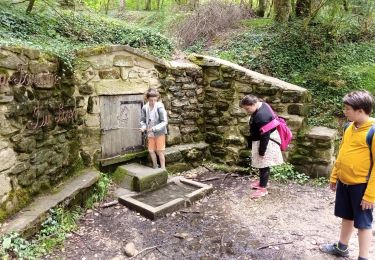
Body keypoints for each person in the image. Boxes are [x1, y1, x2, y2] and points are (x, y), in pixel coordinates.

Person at [320, 91, 375, 260]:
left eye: (348, 109)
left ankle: (363, 257)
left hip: (361, 185)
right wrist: (334, 176)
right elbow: (342, 153)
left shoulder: (372, 131)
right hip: (345, 182)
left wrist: (370, 195)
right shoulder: (348, 127)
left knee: (363, 224)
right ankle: (342, 247)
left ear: (360, 110)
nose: (345, 111)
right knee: (347, 216)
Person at [240, 95, 284, 199]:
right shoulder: (262, 104)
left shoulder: (262, 117)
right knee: (261, 164)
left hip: (267, 141)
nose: (247, 111)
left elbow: (265, 135)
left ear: (253, 104)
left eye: (247, 109)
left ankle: (263, 189)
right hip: (263, 138)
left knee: (264, 163)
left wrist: (262, 152)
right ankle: (261, 182)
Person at [140, 88, 168, 169]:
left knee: (160, 151)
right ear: (147, 99)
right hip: (150, 133)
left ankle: (163, 169)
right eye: (151, 100)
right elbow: (142, 121)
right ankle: (155, 166)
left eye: (154, 100)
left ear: (157, 98)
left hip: (159, 133)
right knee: (151, 150)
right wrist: (143, 127)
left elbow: (164, 122)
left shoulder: (160, 107)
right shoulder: (145, 108)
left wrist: (154, 128)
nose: (153, 102)